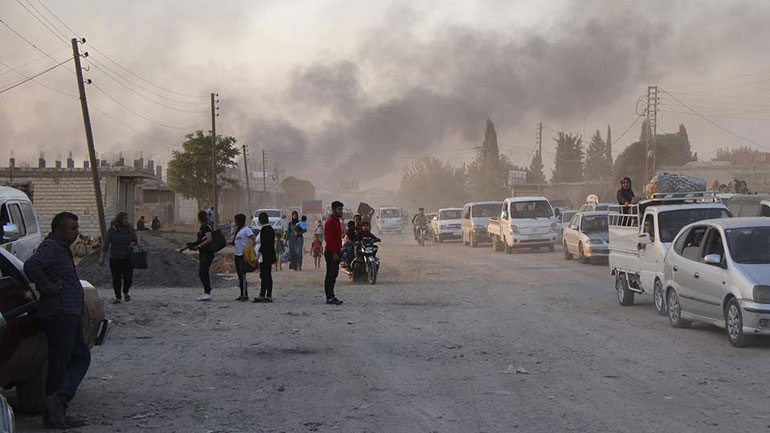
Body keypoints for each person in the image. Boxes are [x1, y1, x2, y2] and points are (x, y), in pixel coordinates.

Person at [24, 212, 89, 429]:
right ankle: (58, 401)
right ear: (58, 229)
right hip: (59, 313)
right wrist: (48, 287)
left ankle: (55, 410)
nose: (76, 232)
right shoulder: (51, 246)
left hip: (67, 312)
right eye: (72, 228)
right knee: (70, 361)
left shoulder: (60, 248)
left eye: (77, 228)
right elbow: (32, 266)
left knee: (71, 360)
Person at [99, 212, 138, 304]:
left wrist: (132, 243)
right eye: (123, 219)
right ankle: (118, 297)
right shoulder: (112, 231)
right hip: (115, 257)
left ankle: (125, 292)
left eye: (126, 219)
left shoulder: (130, 229)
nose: (125, 221)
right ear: (119, 220)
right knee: (116, 278)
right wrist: (102, 258)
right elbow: (105, 245)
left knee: (128, 277)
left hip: (128, 257)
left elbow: (135, 240)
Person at [190, 210, 214, 301]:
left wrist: (199, 246)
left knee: (203, 272)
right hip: (205, 253)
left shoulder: (205, 227)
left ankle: (207, 292)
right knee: (204, 272)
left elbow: (209, 239)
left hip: (207, 253)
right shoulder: (206, 226)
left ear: (199, 218)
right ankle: (207, 291)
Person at [323, 201, 344, 305]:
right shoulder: (331, 222)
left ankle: (331, 295)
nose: (341, 211)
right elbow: (330, 239)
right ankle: (329, 296)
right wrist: (334, 253)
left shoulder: (336, 221)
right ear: (334, 210)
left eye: (341, 209)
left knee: (333, 275)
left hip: (336, 251)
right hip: (331, 252)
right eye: (339, 209)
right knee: (330, 275)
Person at [254, 212, 276, 303]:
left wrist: (257, 256)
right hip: (268, 255)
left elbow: (264, 245)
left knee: (266, 275)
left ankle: (268, 295)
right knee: (264, 275)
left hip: (265, 256)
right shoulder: (270, 229)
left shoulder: (265, 230)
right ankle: (263, 294)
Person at [232, 213, 254, 302]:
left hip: (242, 255)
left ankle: (245, 295)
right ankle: (242, 294)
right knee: (240, 276)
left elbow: (253, 239)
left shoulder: (246, 230)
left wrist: (249, 249)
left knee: (242, 275)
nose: (235, 222)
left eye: (236, 220)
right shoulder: (238, 230)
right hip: (237, 255)